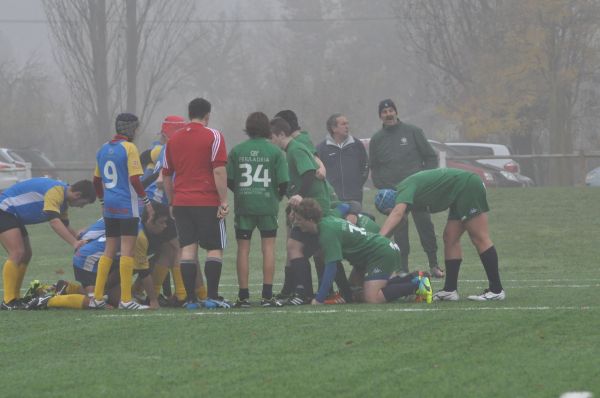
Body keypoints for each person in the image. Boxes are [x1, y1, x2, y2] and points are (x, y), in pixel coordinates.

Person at [377, 168, 505, 301]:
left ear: (393, 203)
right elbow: (398, 219)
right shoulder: (407, 200)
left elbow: (397, 214)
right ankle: (450, 290)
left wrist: (378, 239)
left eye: (388, 213)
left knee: (479, 237)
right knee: (450, 237)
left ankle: (496, 290)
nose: (389, 216)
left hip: (467, 185)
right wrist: (382, 241)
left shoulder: (404, 189)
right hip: (459, 193)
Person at [26, 202, 172, 310]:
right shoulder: (139, 235)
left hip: (101, 259)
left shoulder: (136, 217)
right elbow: (144, 271)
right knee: (96, 304)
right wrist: (153, 300)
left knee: (115, 301)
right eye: (162, 222)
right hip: (88, 260)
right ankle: (47, 300)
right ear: (149, 219)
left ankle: (65, 287)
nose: (165, 226)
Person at [291, 199, 432, 305]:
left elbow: (331, 267)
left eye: (299, 219)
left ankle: (417, 285)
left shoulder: (327, 233)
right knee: (356, 293)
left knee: (372, 298)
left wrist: (319, 299)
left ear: (310, 220)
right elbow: (345, 206)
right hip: (380, 250)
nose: (296, 223)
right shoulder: (330, 217)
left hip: (380, 252)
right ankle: (414, 277)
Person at [163, 98, 230, 309]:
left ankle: (191, 299)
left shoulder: (173, 140)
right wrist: (224, 200)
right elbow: (218, 170)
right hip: (207, 201)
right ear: (207, 116)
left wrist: (172, 201)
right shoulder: (214, 136)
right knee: (214, 248)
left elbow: (166, 175)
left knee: (188, 249)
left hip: (182, 202)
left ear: (189, 113)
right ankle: (212, 296)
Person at [369, 99, 442, 278]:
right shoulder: (377, 139)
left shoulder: (413, 131)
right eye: (384, 112)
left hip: (418, 191)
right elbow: (374, 166)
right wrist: (382, 185)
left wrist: (424, 180)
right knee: (399, 230)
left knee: (425, 225)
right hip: (395, 193)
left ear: (396, 112)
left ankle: (434, 264)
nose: (388, 114)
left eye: (391, 110)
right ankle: (402, 268)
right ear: (380, 116)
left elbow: (431, 157)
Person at [0, 178, 96, 309]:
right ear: (77, 195)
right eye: (83, 203)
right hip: (4, 210)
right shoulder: (56, 192)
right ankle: (9, 301)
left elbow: (64, 225)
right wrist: (74, 243)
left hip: (12, 215)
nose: (81, 207)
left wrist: (81, 241)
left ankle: (15, 298)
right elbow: (54, 222)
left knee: (26, 254)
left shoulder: (63, 201)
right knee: (17, 252)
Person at [227, 112, 289, 308]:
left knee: (243, 250)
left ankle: (243, 296)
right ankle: (267, 295)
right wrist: (275, 197)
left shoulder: (237, 151)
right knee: (268, 249)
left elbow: (229, 180)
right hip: (267, 206)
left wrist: (241, 193)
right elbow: (284, 184)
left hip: (244, 206)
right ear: (267, 129)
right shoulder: (275, 152)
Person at [93, 112, 154, 310]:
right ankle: (126, 300)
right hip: (127, 206)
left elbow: (96, 180)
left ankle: (96, 297)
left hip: (109, 206)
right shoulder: (129, 148)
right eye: (136, 128)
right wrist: (147, 200)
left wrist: (102, 201)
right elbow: (135, 179)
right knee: (127, 250)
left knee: (108, 250)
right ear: (130, 129)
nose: (137, 131)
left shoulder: (102, 149)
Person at [270, 117, 331, 305]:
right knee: (309, 249)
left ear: (281, 135)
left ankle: (305, 293)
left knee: (296, 246)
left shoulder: (296, 149)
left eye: (271, 137)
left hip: (315, 208)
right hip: (308, 206)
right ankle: (310, 292)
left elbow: (309, 174)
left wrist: (299, 197)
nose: (271, 142)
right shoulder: (290, 151)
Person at [316, 113, 369, 206]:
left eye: (347, 123)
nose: (347, 126)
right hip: (332, 199)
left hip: (354, 198)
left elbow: (365, 166)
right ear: (334, 128)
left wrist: (358, 184)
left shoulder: (357, 145)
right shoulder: (321, 148)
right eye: (343, 124)